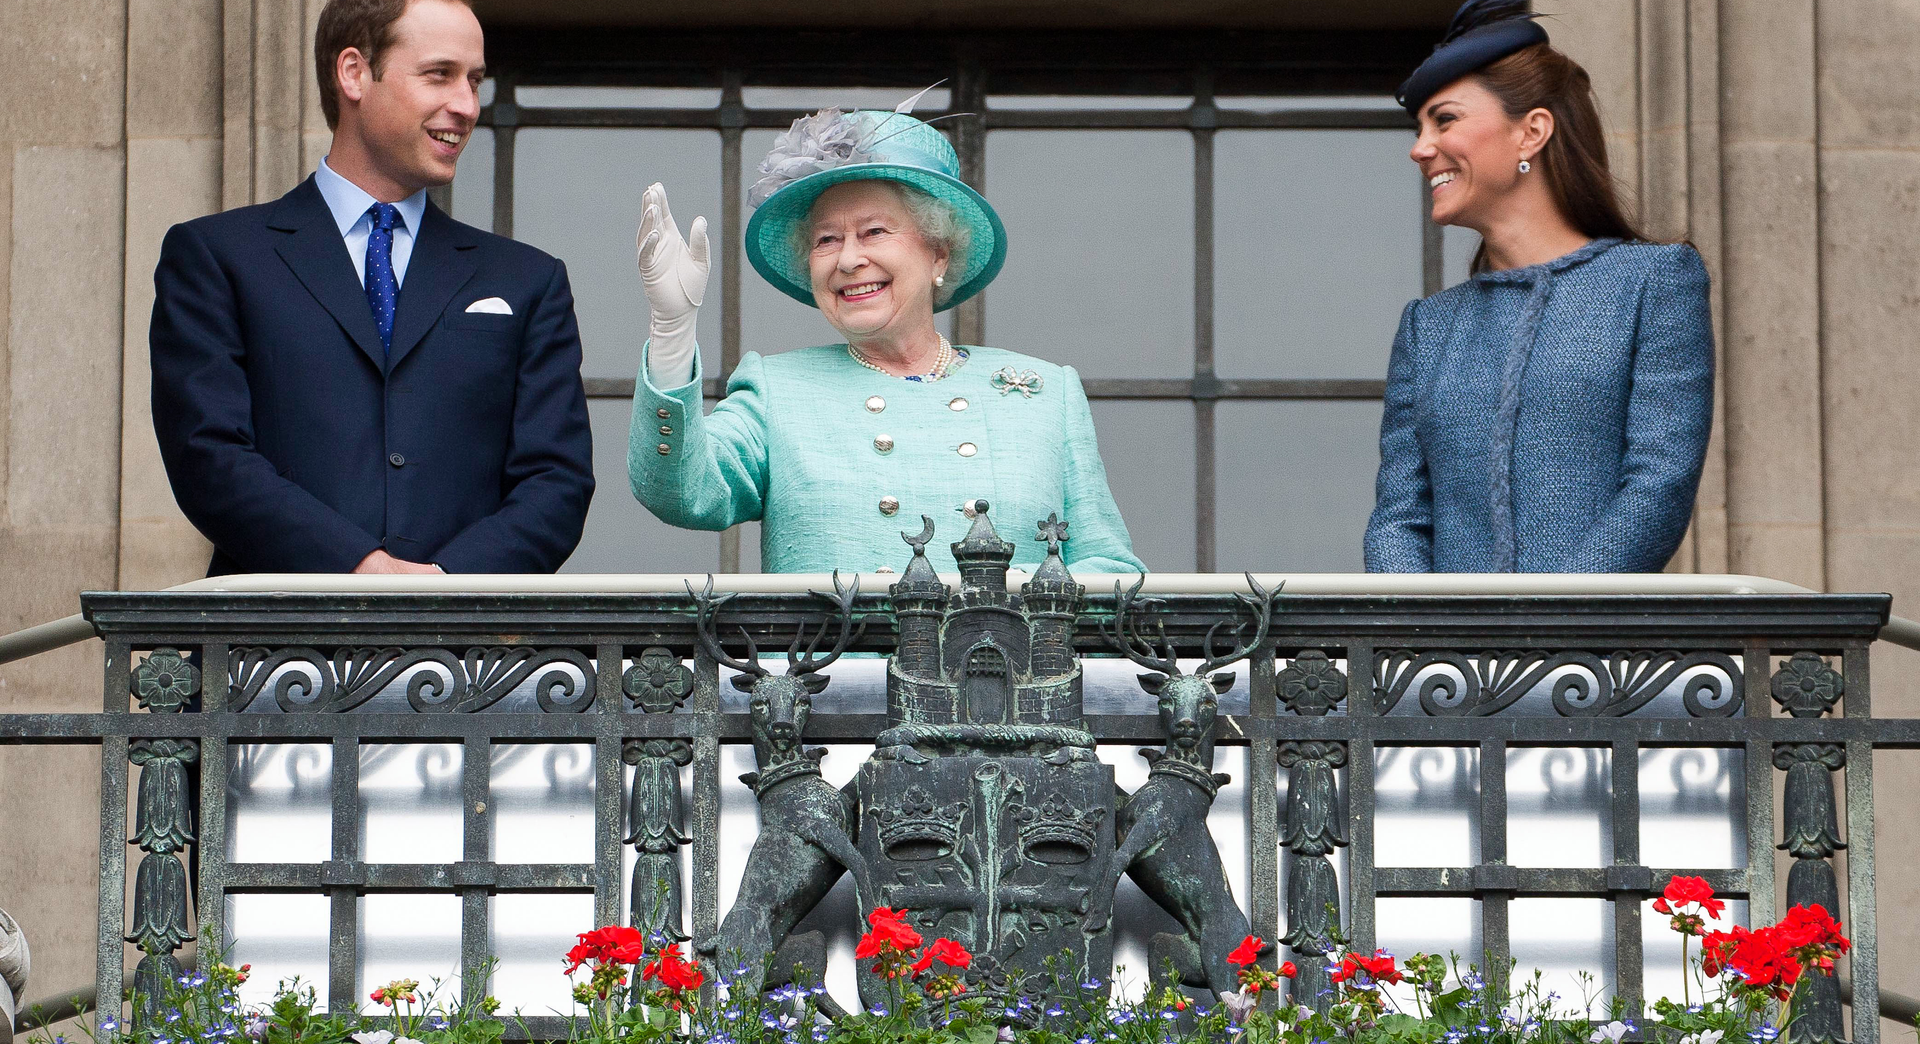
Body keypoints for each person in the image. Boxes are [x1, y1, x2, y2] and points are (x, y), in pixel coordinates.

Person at [149, 0, 594, 576]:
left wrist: (444, 585)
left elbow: (556, 482)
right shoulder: (217, 257)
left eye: (474, 80)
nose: (466, 105)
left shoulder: (529, 280)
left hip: (469, 634)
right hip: (274, 631)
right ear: (354, 73)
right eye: (440, 74)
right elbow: (208, 456)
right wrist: (358, 567)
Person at [626, 106, 1144, 575]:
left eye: (874, 232)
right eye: (827, 239)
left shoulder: (1046, 393)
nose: (849, 259)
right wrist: (673, 331)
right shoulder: (777, 389)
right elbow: (681, 493)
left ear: (938, 253)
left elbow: (1109, 565)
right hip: (830, 656)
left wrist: (1026, 594)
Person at [1363, 0, 1713, 573]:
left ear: (1532, 132)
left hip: (1596, 633)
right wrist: (1425, 625)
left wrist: (1555, 612)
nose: (1420, 148)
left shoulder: (1654, 281)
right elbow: (1399, 520)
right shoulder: (1428, 328)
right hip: (1447, 636)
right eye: (1419, 127)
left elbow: (1659, 485)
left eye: (1444, 120)